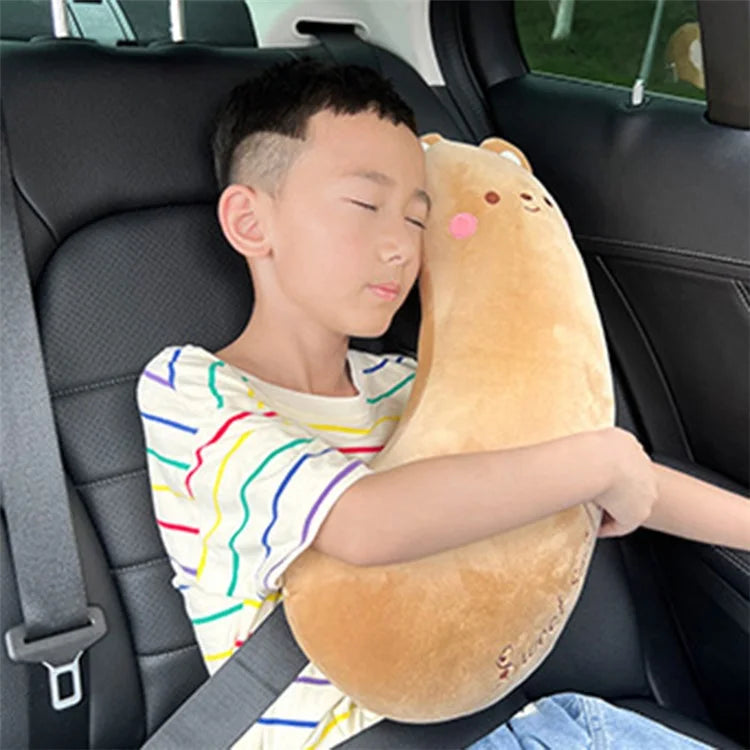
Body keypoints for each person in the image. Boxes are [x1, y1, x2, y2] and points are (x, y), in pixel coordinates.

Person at [136, 58, 747, 750]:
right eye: (364, 206)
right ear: (251, 222)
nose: (401, 246)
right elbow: (362, 524)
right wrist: (600, 463)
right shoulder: (193, 390)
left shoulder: (407, 382)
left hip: (520, 720)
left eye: (417, 218)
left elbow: (619, 474)